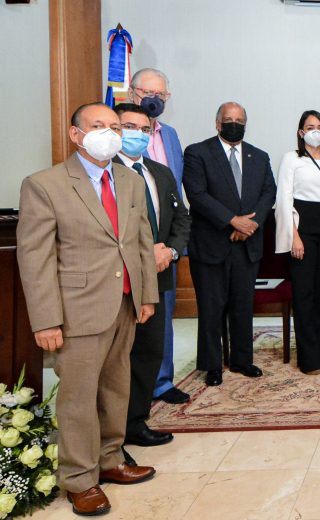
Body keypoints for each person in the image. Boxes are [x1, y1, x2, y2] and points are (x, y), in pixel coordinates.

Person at [17, 102, 159, 516]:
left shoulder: (129, 182)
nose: (111, 133)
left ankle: (110, 460)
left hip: (124, 304)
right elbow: (36, 258)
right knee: (78, 398)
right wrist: (46, 320)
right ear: (76, 134)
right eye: (100, 126)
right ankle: (79, 478)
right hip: (77, 309)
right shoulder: (45, 185)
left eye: (115, 126)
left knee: (116, 388)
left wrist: (146, 294)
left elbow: (141, 242)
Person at [112, 103, 191, 452]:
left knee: (148, 350)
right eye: (130, 127)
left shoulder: (160, 172)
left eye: (145, 130)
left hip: (158, 275)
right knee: (116, 355)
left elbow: (182, 219)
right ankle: (110, 428)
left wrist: (170, 251)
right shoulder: (104, 174)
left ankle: (135, 422)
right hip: (119, 279)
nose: (138, 135)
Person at [183, 102, 276, 387]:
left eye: (239, 120)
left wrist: (251, 224)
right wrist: (232, 221)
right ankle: (212, 365)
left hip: (247, 245)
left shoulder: (259, 156)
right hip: (211, 243)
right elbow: (196, 194)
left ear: (246, 124)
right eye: (228, 119)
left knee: (241, 305)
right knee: (211, 308)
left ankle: (242, 360)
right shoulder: (198, 152)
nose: (233, 123)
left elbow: (268, 191)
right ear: (217, 123)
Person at [128, 67, 189, 405]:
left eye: (161, 95)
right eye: (148, 93)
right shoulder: (121, 137)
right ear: (133, 93)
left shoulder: (170, 136)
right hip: (130, 246)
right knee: (133, 321)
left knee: (163, 316)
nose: (154, 100)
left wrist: (173, 246)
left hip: (166, 246)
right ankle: (132, 388)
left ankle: (161, 382)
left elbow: (175, 192)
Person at [275, 110, 320, 375]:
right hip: (302, 230)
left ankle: (313, 346)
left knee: (317, 292)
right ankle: (310, 358)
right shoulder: (292, 159)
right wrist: (293, 236)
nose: (315, 131)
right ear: (300, 132)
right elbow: (284, 198)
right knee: (303, 294)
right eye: (309, 127)